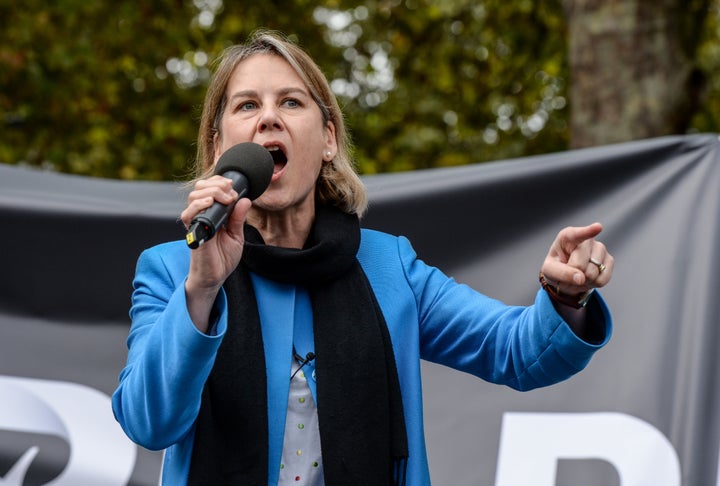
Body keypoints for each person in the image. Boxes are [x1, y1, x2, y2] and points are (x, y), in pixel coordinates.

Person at [112, 30, 614, 486]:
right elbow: (148, 424)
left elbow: (516, 352)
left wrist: (565, 294)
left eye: (291, 101)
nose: (268, 117)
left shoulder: (388, 266)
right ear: (220, 145)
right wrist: (201, 290)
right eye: (246, 105)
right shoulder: (173, 270)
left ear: (328, 139)